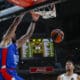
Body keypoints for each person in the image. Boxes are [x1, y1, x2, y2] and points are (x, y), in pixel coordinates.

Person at [0, 11, 40, 80]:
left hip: (13, 73)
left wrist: (34, 21)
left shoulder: (15, 45)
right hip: (4, 73)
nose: (14, 32)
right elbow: (14, 24)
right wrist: (23, 11)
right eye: (13, 32)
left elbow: (28, 35)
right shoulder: (5, 43)